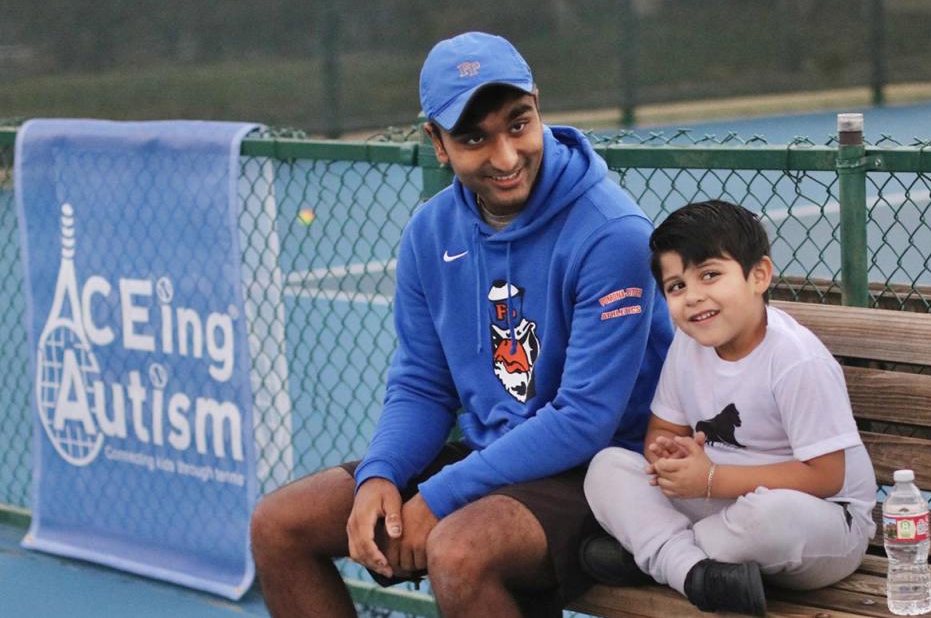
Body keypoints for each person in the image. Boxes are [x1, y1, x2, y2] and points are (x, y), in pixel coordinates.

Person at [249, 31, 673, 618]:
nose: (505, 156)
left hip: (603, 473)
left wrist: (440, 497)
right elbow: (424, 383)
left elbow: (585, 420)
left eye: (518, 124)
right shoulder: (431, 232)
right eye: (475, 138)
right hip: (494, 455)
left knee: (459, 551)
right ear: (438, 143)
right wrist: (382, 474)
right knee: (280, 524)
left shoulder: (613, 234)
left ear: (538, 106)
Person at [582, 200, 877, 616]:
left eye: (710, 275)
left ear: (759, 275)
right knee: (608, 468)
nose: (693, 297)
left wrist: (711, 480)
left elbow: (828, 477)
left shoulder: (796, 360)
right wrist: (671, 457)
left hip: (824, 521)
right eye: (676, 286)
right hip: (722, 499)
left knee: (766, 515)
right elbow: (661, 435)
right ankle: (692, 569)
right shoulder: (686, 345)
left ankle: (659, 556)